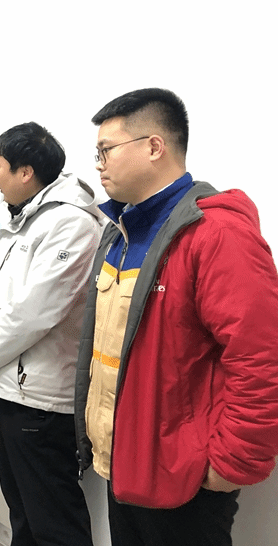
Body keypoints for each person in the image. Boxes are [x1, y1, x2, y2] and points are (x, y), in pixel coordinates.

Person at [75, 88, 278, 546]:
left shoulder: (217, 234)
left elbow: (260, 358)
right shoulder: (121, 233)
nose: (99, 164)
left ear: (154, 146)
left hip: (183, 477)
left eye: (106, 150)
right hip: (125, 462)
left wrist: (232, 465)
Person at [0, 122, 101, 546]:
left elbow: (32, 314)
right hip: (8, 386)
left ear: (25, 172)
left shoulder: (71, 224)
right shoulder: (19, 219)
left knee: (54, 519)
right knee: (21, 506)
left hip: (40, 398)